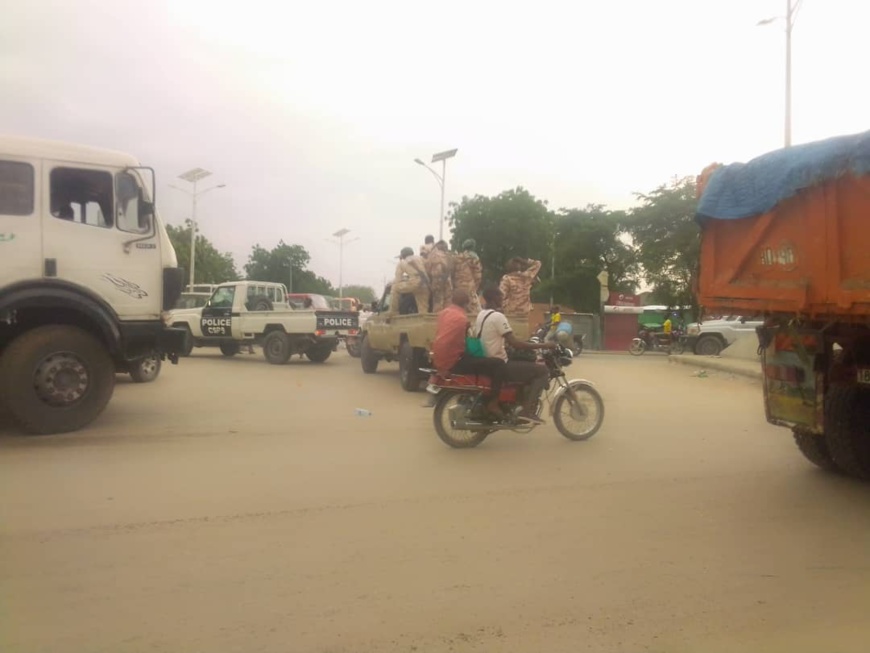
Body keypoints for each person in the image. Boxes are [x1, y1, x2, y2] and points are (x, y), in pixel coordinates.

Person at [477, 285, 556, 423]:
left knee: (524, 364)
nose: (503, 299)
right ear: (495, 298)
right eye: (500, 296)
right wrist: (544, 345)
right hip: (499, 364)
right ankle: (527, 411)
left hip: (487, 361)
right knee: (542, 371)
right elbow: (515, 343)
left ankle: (517, 401)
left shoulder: (481, 314)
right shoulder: (497, 316)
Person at [431, 288, 506, 417]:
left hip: (439, 359)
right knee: (498, 364)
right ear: (466, 303)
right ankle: (493, 402)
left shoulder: (444, 313)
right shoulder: (462, 318)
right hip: (455, 361)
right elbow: (464, 340)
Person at [390, 247, 431, 314]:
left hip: (414, 282)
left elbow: (398, 279)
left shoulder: (402, 263)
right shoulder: (421, 258)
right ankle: (423, 320)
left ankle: (393, 312)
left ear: (403, 255)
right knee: (423, 310)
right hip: (425, 283)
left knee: (395, 287)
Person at [452, 239, 483, 314]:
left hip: (457, 285)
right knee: (473, 309)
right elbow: (478, 275)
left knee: (458, 306)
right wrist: (476, 286)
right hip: (469, 285)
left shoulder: (457, 257)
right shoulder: (474, 257)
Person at [426, 240, 454, 313]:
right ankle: (447, 318)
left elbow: (428, 268)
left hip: (437, 280)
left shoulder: (432, 255)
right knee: (448, 301)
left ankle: (437, 320)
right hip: (447, 280)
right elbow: (452, 268)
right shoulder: (449, 255)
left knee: (438, 302)